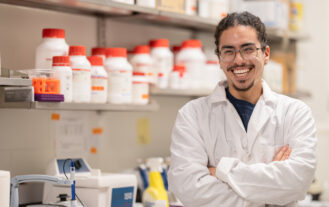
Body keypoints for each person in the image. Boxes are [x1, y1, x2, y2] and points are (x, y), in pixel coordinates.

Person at [168, 11, 317, 207]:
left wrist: (221, 170)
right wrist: (270, 193)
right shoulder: (192, 116)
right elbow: (190, 190)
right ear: (220, 59)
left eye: (248, 49)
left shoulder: (296, 113)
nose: (238, 60)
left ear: (265, 54)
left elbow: (298, 182)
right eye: (229, 51)